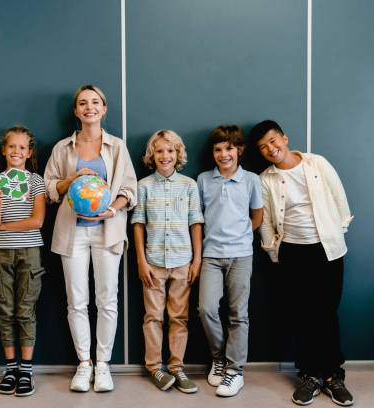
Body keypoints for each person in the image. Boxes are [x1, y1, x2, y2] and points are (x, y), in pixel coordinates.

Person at [250, 120, 354, 406]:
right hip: (292, 253)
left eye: (274, 141)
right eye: (263, 147)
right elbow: (267, 222)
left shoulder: (316, 163)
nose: (271, 149)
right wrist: (274, 253)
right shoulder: (265, 180)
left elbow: (339, 197)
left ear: (284, 138)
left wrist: (337, 232)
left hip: (327, 250)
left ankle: (334, 376)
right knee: (301, 315)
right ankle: (310, 376)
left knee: (327, 313)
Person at [44, 85, 137, 392]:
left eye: (95, 102)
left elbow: (129, 189)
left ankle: (103, 364)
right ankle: (84, 364)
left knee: (107, 300)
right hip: (73, 233)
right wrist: (70, 180)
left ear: (104, 108)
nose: (89, 107)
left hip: (107, 230)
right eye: (83, 103)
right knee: (77, 301)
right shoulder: (62, 148)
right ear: (76, 111)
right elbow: (49, 189)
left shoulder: (117, 146)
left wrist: (111, 210)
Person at [131, 130, 203, 393]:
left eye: (170, 151)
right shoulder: (143, 186)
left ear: (178, 154)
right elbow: (138, 224)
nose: (165, 156)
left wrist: (197, 260)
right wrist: (141, 260)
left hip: (183, 260)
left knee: (179, 317)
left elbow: (196, 223)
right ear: (153, 155)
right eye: (160, 151)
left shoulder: (189, 185)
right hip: (153, 262)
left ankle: (177, 367)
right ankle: (155, 367)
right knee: (153, 316)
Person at [196, 124, 263, 397]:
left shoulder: (251, 180)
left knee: (238, 315)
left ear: (240, 150)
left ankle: (235, 370)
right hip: (211, 254)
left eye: (229, 148)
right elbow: (198, 217)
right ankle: (220, 357)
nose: (224, 154)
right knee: (206, 309)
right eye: (218, 149)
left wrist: (242, 234)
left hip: (241, 255)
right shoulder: (203, 180)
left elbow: (256, 216)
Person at [0, 126, 45, 397]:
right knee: (5, 310)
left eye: (22, 147)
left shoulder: (35, 181)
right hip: (1, 253)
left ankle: (26, 369)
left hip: (29, 252)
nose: (16, 151)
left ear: (29, 152)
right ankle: (11, 368)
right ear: (4, 151)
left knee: (25, 310)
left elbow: (37, 221)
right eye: (12, 147)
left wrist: (3, 226)